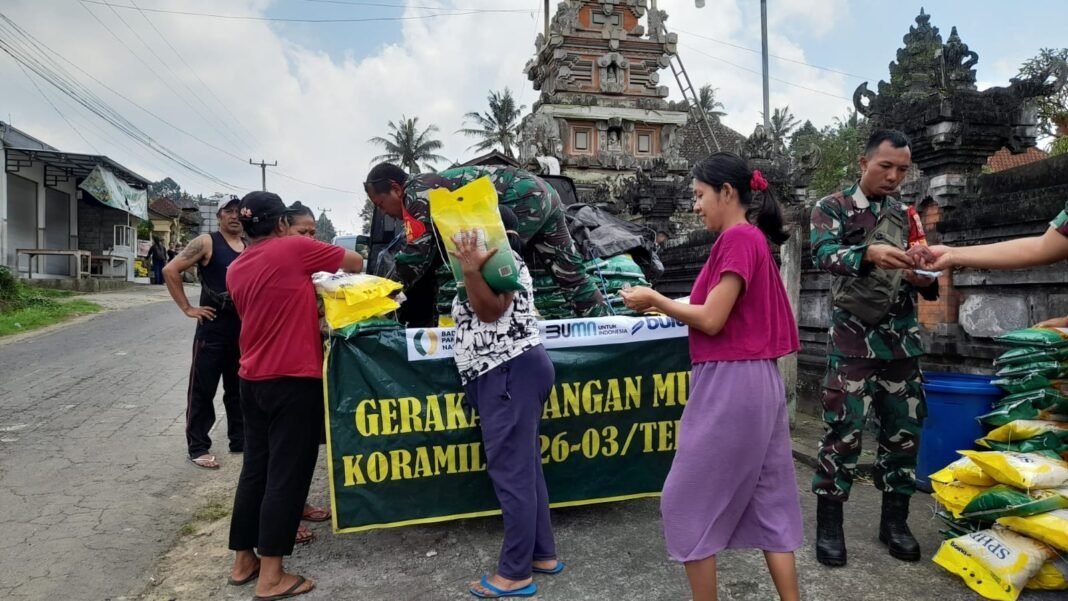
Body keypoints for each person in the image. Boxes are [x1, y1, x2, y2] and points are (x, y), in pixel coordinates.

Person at [620, 153, 802, 601]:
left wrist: (655, 299)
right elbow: (717, 308)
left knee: (683, 500)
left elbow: (712, 319)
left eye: (700, 196)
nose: (696, 206)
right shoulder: (750, 238)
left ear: (726, 192)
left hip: (731, 382)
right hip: (758, 379)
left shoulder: (738, 239)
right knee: (768, 498)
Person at [225, 191, 363, 600]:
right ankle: (272, 577)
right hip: (292, 380)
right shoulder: (292, 249)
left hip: (251, 379)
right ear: (282, 224)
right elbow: (354, 263)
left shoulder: (236, 268)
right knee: (288, 475)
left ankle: (243, 560)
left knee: (256, 471)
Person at [808, 129, 938, 567]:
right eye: (886, 166)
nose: (894, 176)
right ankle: (830, 526)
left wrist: (924, 275)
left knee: (903, 436)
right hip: (852, 345)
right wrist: (868, 254)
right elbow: (823, 254)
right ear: (864, 163)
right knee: (842, 434)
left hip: (902, 345)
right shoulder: (832, 207)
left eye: (902, 169)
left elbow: (925, 268)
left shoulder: (907, 214)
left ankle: (895, 523)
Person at [451, 206, 561, 599]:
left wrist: (468, 271)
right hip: (511, 371)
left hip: (506, 372)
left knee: (512, 474)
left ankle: (515, 573)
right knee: (525, 468)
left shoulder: (497, 259)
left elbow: (492, 310)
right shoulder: (502, 259)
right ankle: (541, 553)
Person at [363, 162, 608, 326]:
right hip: (545, 193)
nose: (384, 213)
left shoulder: (416, 191)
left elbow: (417, 254)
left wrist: (383, 293)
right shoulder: (427, 187)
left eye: (380, 204)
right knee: (571, 275)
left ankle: (510, 331)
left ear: (395, 188)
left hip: (518, 198)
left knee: (496, 272)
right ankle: (608, 328)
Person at [162, 197, 246, 470]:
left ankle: (240, 440)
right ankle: (197, 447)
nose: (234, 216)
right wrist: (188, 308)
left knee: (239, 389)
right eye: (228, 211)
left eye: (238, 212)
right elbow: (170, 270)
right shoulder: (207, 242)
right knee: (202, 390)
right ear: (220, 215)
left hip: (242, 331)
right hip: (212, 330)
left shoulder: (248, 246)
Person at [283, 200, 332, 544]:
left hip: (304, 365)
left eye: (313, 233)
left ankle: (296, 507)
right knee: (282, 454)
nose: (310, 239)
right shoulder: (278, 260)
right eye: (304, 232)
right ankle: (282, 521)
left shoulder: (301, 262)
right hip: (282, 372)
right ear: (282, 227)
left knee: (302, 450)